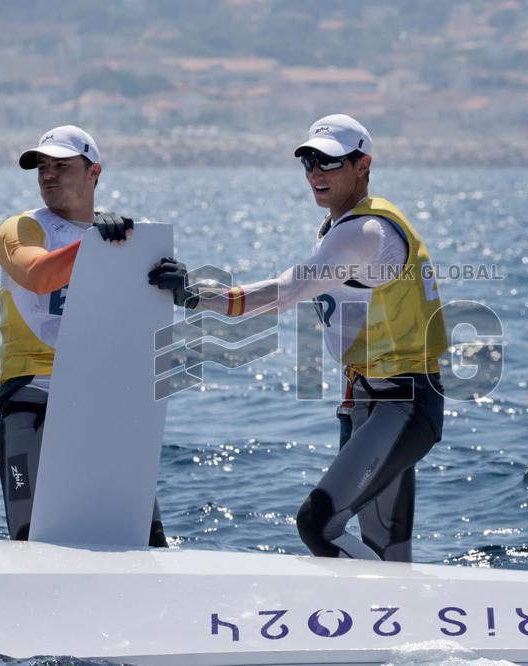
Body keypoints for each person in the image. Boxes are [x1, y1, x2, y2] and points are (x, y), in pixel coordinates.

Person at [148, 114, 446, 561]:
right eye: (308, 162)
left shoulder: (364, 233)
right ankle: (395, 622)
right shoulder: (341, 226)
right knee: (386, 553)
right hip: (367, 402)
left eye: (328, 163)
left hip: (403, 407)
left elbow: (283, 294)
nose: (315, 174)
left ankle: (401, 614)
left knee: (319, 526)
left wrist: (195, 297)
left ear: (362, 164)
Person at [0, 124, 167, 546]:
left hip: (102, 404)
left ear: (94, 172)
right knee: (30, 537)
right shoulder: (22, 229)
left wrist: (174, 285)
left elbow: (139, 324)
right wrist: (95, 244)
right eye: (42, 167)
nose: (48, 174)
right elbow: (38, 276)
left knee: (148, 539)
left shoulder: (125, 238)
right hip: (31, 402)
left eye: (62, 166)